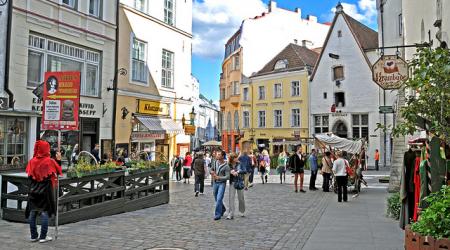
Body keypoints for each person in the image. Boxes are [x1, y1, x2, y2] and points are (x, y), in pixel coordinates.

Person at [25, 140, 62, 243]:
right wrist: (58, 160)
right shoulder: (49, 161)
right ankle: (43, 237)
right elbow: (58, 171)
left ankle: (33, 236)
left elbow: (29, 176)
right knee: (44, 212)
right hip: (45, 190)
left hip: (33, 190)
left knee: (33, 212)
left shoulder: (32, 161)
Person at [211, 150, 230, 220]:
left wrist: (219, 177)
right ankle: (223, 208)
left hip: (222, 184)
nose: (217, 156)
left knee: (219, 199)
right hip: (215, 183)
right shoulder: (215, 162)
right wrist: (211, 172)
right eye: (217, 154)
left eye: (219, 155)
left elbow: (228, 177)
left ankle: (217, 214)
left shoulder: (226, 166)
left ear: (222, 156)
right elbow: (212, 169)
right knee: (216, 198)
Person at [227, 153, 246, 219]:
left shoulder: (240, 164)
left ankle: (242, 211)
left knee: (241, 198)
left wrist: (238, 171)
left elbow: (244, 170)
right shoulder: (228, 165)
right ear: (232, 159)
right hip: (232, 182)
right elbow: (226, 171)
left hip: (239, 182)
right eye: (235, 158)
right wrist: (230, 172)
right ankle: (231, 213)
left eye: (236, 157)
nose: (236, 159)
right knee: (231, 198)